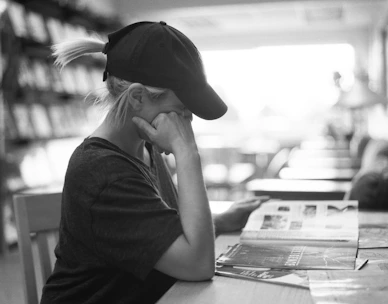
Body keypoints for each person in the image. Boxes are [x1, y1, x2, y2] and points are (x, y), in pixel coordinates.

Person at [40, 21, 267, 304]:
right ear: (137, 97)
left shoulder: (146, 146)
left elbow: (161, 233)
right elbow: (197, 265)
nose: (188, 121)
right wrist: (187, 154)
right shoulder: (103, 171)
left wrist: (220, 221)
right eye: (182, 109)